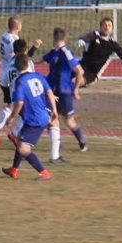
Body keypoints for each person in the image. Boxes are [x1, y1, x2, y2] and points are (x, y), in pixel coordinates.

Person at [0, 16, 42, 148]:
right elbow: (21, 59)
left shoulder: (3, 36)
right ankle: (14, 134)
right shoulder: (14, 40)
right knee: (26, 107)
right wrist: (34, 48)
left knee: (10, 106)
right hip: (15, 76)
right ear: (18, 27)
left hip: (5, 75)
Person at [2, 53, 57, 181]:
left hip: (35, 119)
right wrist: (54, 110)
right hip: (40, 115)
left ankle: (44, 173)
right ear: (28, 64)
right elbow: (50, 93)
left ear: (15, 67)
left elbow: (19, 103)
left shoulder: (19, 83)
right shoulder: (38, 76)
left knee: (23, 149)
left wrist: (11, 117)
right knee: (19, 140)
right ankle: (14, 169)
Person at [38, 27, 87, 155]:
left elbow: (80, 71)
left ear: (54, 38)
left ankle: (82, 141)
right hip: (53, 93)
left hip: (65, 92)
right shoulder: (53, 53)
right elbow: (39, 60)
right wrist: (25, 58)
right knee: (51, 119)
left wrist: (76, 89)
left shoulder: (67, 52)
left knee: (68, 121)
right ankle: (57, 144)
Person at [76, 17, 122, 86]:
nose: (107, 27)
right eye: (105, 25)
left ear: (112, 29)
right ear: (100, 27)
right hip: (81, 66)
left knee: (74, 82)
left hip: (92, 74)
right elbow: (87, 37)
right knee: (67, 77)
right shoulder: (95, 35)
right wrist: (82, 40)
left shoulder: (113, 44)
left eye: (109, 25)